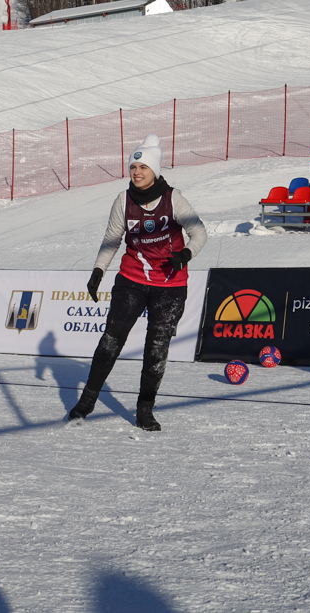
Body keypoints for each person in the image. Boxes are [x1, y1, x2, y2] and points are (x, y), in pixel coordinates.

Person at [67, 134, 206, 432]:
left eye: (143, 168)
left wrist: (184, 254)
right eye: (133, 168)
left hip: (170, 285)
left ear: (155, 170)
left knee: (156, 350)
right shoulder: (123, 200)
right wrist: (98, 271)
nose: (137, 173)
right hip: (131, 279)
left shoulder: (173, 199)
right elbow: (112, 239)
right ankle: (86, 402)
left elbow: (200, 233)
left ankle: (145, 410)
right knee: (110, 342)